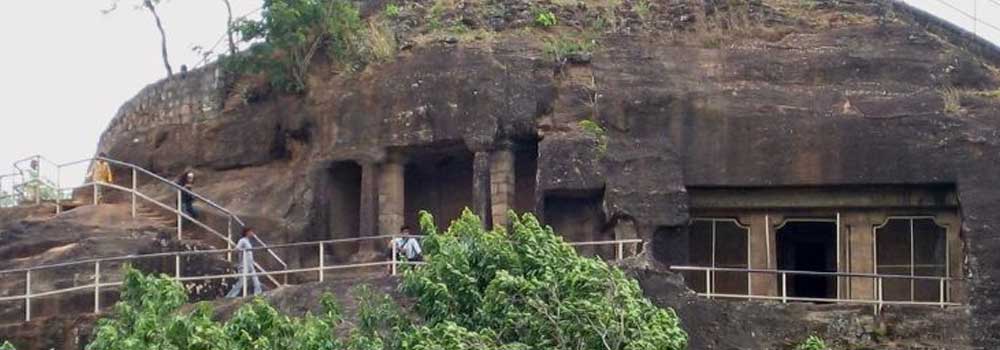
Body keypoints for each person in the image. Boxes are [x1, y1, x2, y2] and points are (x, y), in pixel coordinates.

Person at [227, 227, 263, 297]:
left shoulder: (248, 241)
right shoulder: (242, 240)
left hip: (250, 264)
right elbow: (237, 249)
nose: (252, 233)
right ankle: (230, 296)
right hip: (244, 264)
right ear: (247, 233)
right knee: (241, 282)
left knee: (256, 280)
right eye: (251, 232)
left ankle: (258, 294)